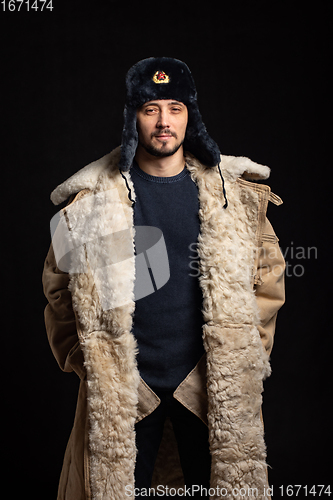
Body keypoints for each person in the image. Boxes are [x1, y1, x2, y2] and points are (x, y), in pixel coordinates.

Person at [43, 57, 285, 500]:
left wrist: (248, 352)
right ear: (133, 117)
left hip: (207, 383)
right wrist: (93, 365)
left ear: (189, 115)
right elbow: (59, 288)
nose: (163, 121)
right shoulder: (92, 204)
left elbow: (268, 277)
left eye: (174, 108)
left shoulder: (232, 197)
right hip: (129, 389)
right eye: (150, 109)